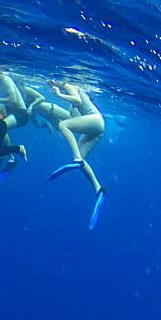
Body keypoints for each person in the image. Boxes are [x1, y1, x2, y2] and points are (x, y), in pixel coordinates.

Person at [47, 80, 106, 227]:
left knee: (63, 125)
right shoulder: (71, 88)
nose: (49, 82)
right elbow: (78, 111)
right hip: (97, 127)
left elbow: (78, 100)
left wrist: (59, 93)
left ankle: (77, 159)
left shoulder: (68, 85)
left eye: (52, 80)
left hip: (96, 121)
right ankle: (99, 189)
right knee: (81, 160)